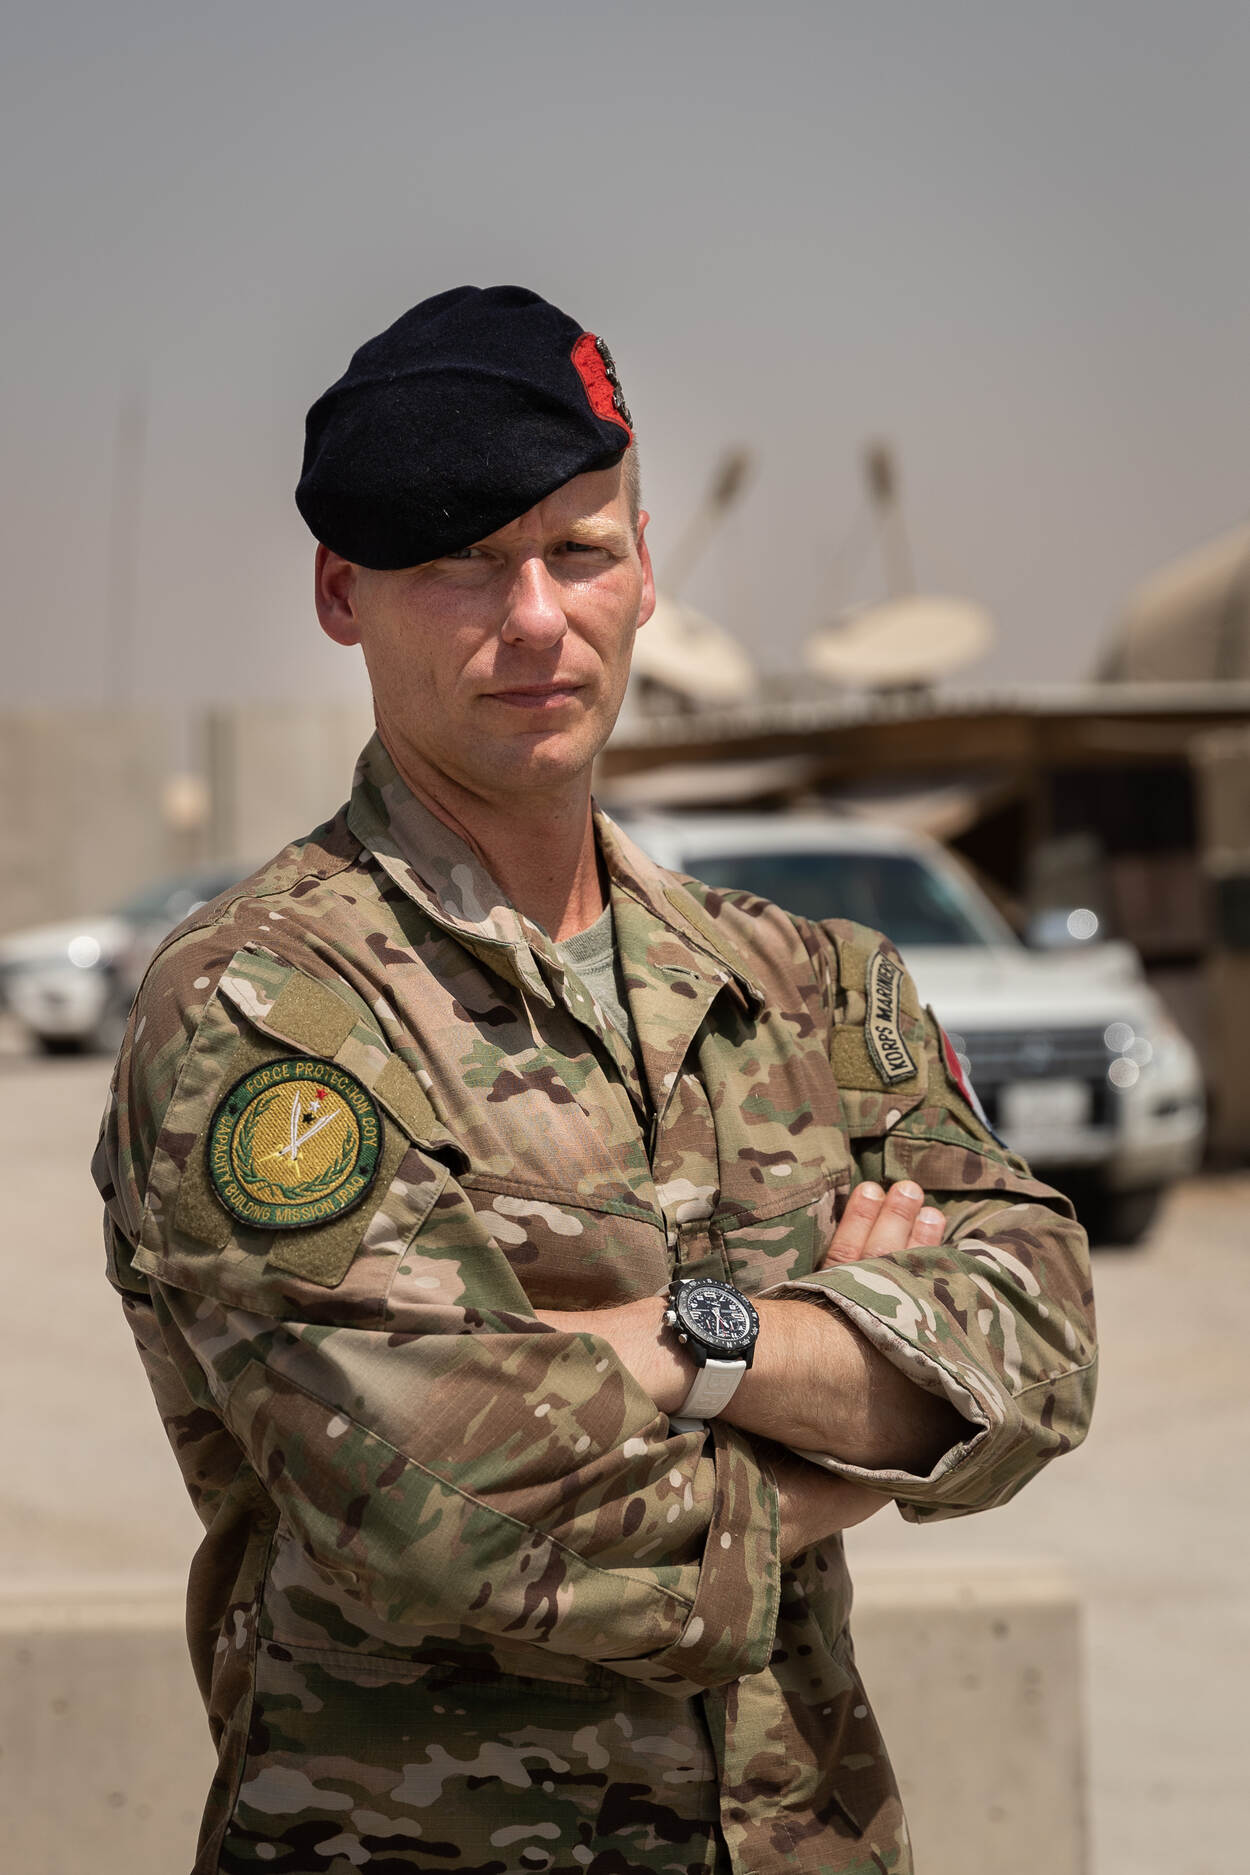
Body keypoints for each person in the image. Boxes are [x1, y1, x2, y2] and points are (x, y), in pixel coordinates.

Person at [94, 284, 1097, 1875]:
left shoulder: (807, 980)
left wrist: (675, 1345)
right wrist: (854, 1427)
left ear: (645, 568)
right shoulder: (267, 1010)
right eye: (461, 562)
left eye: (578, 550)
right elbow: (443, 1515)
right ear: (341, 593)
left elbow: (1037, 1350)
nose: (535, 618)